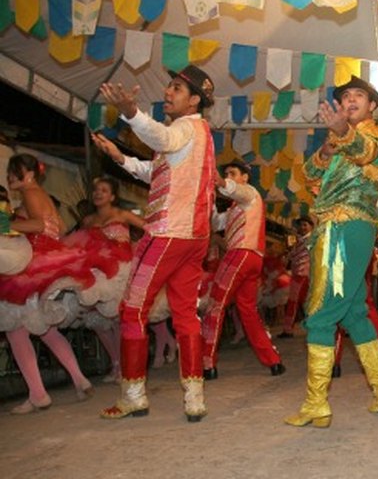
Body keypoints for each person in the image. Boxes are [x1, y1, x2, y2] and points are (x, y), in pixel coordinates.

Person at [92, 64, 216, 422]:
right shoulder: (200, 133)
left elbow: (163, 139)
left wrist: (131, 113)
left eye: (177, 88)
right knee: (185, 315)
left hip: (166, 234)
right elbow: (158, 168)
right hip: (194, 239)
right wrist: (120, 158)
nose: (167, 93)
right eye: (169, 86)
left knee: (132, 311)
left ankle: (133, 395)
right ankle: (194, 399)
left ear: (195, 100)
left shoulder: (184, 127)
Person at [284, 75, 378, 428]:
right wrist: (327, 148)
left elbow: (368, 154)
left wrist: (345, 135)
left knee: (320, 313)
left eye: (358, 96)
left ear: (372, 105)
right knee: (353, 315)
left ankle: (316, 402)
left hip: (343, 226)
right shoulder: (339, 139)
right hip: (340, 228)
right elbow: (310, 177)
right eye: (345, 96)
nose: (349, 101)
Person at [0, 153, 96, 414]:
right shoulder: (40, 193)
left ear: (28, 174)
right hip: (47, 259)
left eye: (13, 171)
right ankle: (80, 379)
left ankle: (38, 395)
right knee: (44, 330)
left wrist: (7, 223)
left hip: (33, 266)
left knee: (16, 330)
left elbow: (40, 225)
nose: (9, 176)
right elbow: (61, 227)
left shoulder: (31, 192)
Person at [201, 160, 285, 379]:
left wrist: (219, 181)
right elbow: (214, 222)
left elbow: (235, 190)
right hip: (253, 259)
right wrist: (209, 199)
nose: (228, 176)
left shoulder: (249, 193)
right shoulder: (235, 206)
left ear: (245, 177)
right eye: (226, 173)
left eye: (232, 173)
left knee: (215, 305)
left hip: (239, 255)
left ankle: (206, 363)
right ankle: (273, 361)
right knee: (248, 311)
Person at [64, 176, 145, 382]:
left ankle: (126, 366)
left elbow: (150, 229)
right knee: (97, 321)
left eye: (103, 190)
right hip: (97, 272)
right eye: (96, 190)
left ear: (113, 196)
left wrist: (137, 248)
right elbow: (79, 243)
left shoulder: (122, 214)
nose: (98, 193)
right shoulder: (88, 221)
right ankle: (116, 362)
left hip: (121, 270)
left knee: (119, 319)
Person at [278, 215, 313, 338]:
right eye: (301, 225)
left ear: (311, 227)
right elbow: (291, 255)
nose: (302, 227)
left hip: (302, 273)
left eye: (305, 225)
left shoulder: (311, 240)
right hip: (299, 273)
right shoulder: (298, 240)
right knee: (305, 302)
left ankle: (288, 329)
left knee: (294, 301)